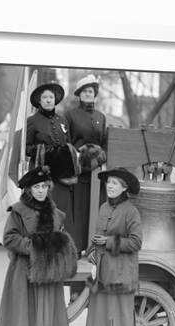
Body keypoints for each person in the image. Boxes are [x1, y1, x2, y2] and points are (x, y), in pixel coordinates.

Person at [0, 166, 78, 326]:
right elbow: (9, 238)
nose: (41, 191)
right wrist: (34, 247)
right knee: (25, 314)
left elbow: (62, 237)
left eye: (44, 186)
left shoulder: (56, 214)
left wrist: (62, 245)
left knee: (49, 315)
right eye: (37, 187)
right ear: (29, 190)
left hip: (50, 274)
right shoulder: (18, 211)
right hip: (24, 271)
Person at [85, 167, 142, 326]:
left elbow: (136, 242)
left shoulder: (131, 211)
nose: (109, 186)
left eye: (114, 183)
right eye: (108, 182)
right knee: (99, 314)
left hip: (120, 275)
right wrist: (91, 251)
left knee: (119, 316)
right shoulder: (104, 207)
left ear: (124, 188)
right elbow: (99, 236)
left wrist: (109, 242)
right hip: (102, 272)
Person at [26, 82, 81, 242]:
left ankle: (65, 247)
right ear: (39, 101)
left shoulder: (62, 120)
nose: (49, 100)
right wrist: (44, 152)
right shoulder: (33, 121)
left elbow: (69, 144)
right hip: (43, 177)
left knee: (62, 213)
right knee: (45, 215)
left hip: (63, 178)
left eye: (51, 97)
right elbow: (26, 148)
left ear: (55, 100)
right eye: (45, 97)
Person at [65, 75, 108, 253]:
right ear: (79, 95)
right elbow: (67, 142)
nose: (88, 94)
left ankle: (94, 248)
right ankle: (77, 247)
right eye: (85, 91)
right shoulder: (70, 115)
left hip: (97, 173)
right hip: (79, 170)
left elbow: (105, 141)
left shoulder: (101, 117)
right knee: (79, 210)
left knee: (97, 210)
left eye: (91, 91)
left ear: (95, 95)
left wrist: (103, 159)